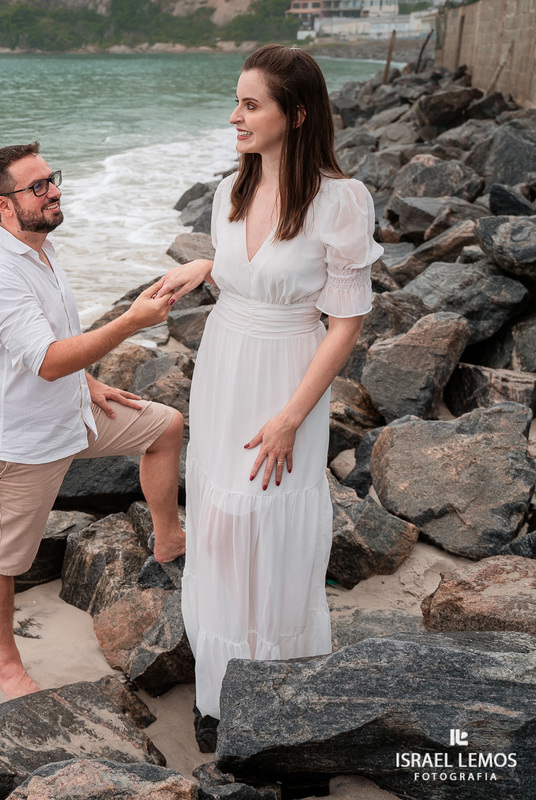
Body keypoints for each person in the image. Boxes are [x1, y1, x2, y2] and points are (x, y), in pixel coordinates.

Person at [155, 45, 384, 748]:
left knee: (271, 520)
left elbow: (345, 324)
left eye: (251, 104)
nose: (235, 116)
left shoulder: (341, 201)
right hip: (224, 363)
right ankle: (219, 690)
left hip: (288, 376)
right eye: (236, 101)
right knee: (221, 523)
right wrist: (207, 265)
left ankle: (273, 684)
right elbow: (247, 270)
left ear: (298, 114)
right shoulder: (231, 190)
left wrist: (290, 417)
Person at [0, 142, 186, 699]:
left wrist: (90, 382)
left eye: (52, 178)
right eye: (38, 186)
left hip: (74, 411)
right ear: (3, 205)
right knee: (3, 559)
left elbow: (57, 340)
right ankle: (6, 663)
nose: (54, 191)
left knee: (165, 425)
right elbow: (48, 359)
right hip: (22, 443)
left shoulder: (41, 247)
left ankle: (169, 542)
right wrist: (130, 321)